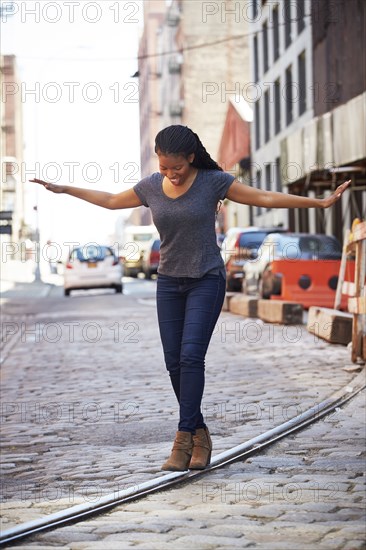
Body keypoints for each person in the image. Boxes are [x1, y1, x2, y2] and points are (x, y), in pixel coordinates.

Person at [30, 124, 350, 472]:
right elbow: (110, 201)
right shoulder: (151, 186)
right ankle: (200, 432)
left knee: (191, 356)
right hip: (168, 282)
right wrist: (65, 190)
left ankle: (183, 437)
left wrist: (318, 202)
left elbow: (264, 197)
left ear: (191, 158)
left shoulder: (213, 182)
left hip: (206, 279)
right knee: (173, 363)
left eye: (177, 168)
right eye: (165, 168)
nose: (171, 174)